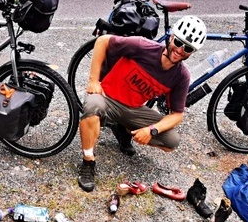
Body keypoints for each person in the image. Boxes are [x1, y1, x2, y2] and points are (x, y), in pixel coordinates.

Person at [76, 15, 207, 192]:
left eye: (188, 48)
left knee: (171, 141)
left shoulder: (181, 76)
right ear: (171, 37)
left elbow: (177, 114)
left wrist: (151, 130)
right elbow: (102, 41)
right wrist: (93, 80)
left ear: (192, 53)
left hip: (133, 108)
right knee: (92, 107)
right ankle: (88, 161)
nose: (180, 50)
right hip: (107, 98)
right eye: (178, 42)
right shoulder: (143, 46)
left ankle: (124, 129)